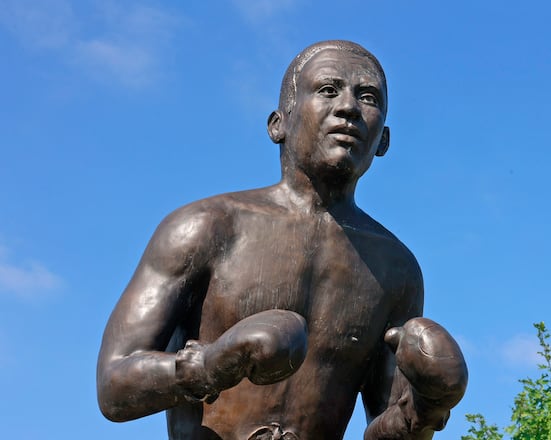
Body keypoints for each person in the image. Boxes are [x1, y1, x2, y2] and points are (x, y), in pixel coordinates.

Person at [97, 40, 467, 440]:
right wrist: (214, 364)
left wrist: (427, 408)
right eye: (328, 90)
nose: (349, 108)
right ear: (279, 124)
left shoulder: (396, 269)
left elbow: (383, 428)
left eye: (368, 97)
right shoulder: (206, 227)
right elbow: (114, 385)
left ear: (383, 141)